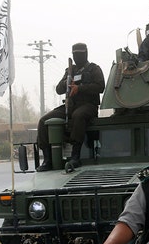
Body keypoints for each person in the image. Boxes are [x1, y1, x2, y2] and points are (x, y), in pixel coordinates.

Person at [36, 43, 105, 172]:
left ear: (86, 53)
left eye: (80, 54)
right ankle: (47, 159)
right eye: (75, 54)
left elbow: (100, 86)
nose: (77, 57)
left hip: (88, 106)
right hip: (70, 105)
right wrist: (67, 82)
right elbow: (58, 89)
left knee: (78, 116)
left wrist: (80, 88)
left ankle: (75, 155)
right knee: (44, 120)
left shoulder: (94, 69)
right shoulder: (69, 71)